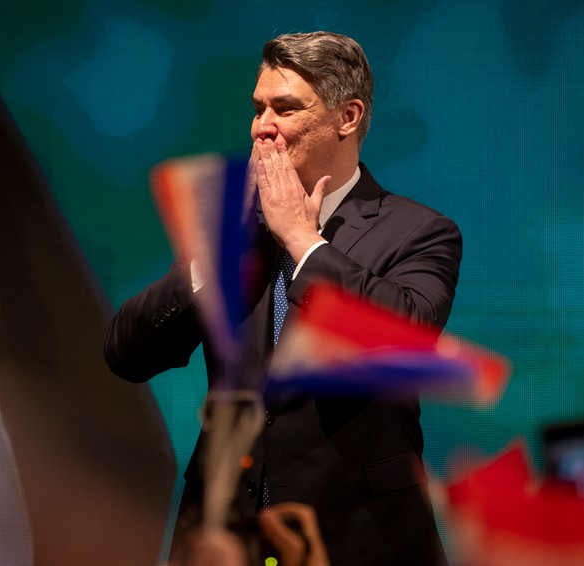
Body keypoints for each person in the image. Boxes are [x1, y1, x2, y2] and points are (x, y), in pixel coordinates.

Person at [105, 31, 462, 565]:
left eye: (285, 108)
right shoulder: (231, 229)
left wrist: (302, 240)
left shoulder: (418, 232)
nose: (262, 126)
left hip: (358, 538)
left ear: (348, 117)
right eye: (258, 109)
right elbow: (126, 355)